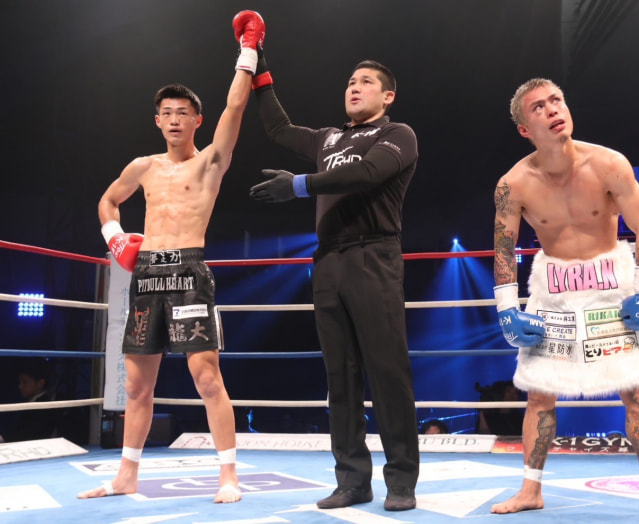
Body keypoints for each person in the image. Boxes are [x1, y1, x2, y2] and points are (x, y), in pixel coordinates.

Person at [77, 10, 266, 504]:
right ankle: (126, 476)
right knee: (138, 388)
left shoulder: (210, 163)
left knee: (207, 378)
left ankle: (228, 476)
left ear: (197, 120)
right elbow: (107, 200)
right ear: (158, 120)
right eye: (168, 112)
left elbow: (235, 108)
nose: (176, 119)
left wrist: (248, 53)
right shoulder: (142, 167)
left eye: (184, 112)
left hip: (188, 273)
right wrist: (115, 237)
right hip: (146, 276)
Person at [490, 78, 639, 519]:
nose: (553, 110)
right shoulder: (513, 184)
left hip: (610, 284)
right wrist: (507, 309)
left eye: (556, 100)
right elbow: (503, 249)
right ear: (525, 129)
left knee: (636, 392)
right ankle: (530, 490)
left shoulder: (609, 164)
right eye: (539, 107)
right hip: (553, 287)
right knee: (539, 395)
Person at [247, 41, 419, 511]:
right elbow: (279, 128)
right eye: (350, 82)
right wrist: (261, 72)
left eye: (366, 82)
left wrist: (298, 185)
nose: (354, 87)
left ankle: (401, 481)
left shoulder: (397, 134)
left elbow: (367, 174)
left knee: (387, 371)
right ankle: (352, 481)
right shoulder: (327, 139)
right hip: (328, 262)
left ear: (387, 96)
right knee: (339, 376)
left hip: (374, 256)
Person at [0, 359, 59, 442]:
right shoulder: (35, 402)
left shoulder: (43, 406)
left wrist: (3, 438)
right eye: (20, 382)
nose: (20, 386)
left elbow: (28, 434)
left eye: (25, 382)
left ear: (40, 383)